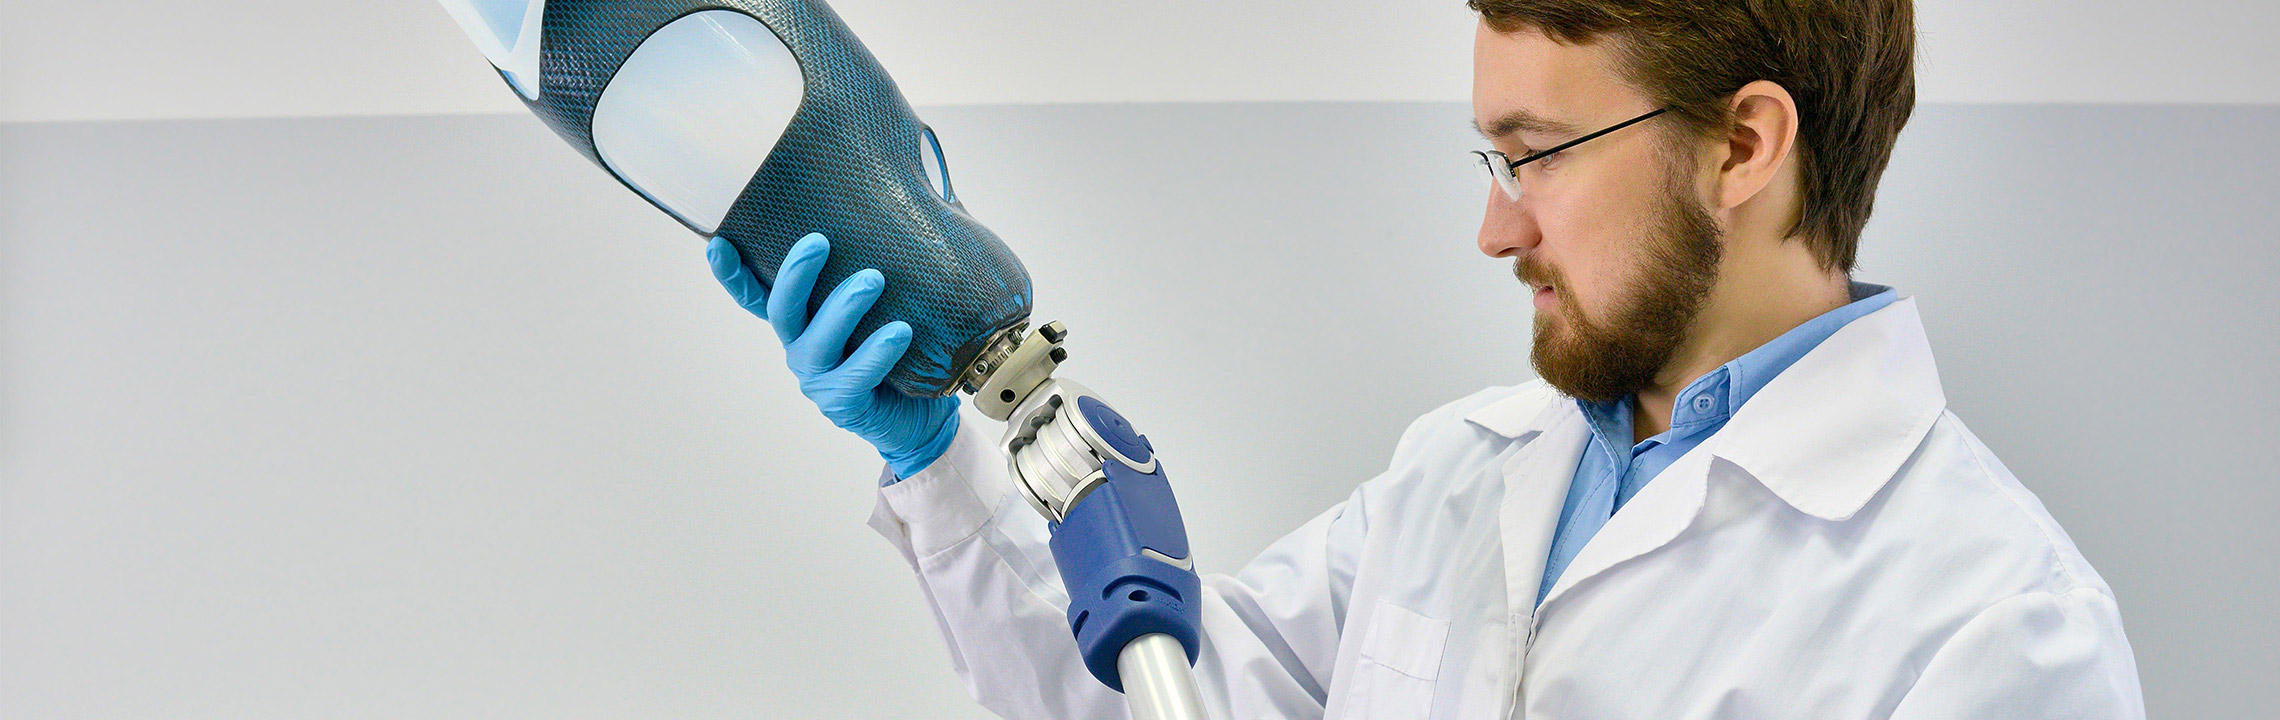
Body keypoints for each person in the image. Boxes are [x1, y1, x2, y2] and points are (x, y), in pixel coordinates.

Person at [703, 0, 2146, 717]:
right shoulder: (1459, 479)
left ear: (1745, 145)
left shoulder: (1995, 629)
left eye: (1537, 156)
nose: (1492, 224)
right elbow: (1155, 701)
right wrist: (936, 466)